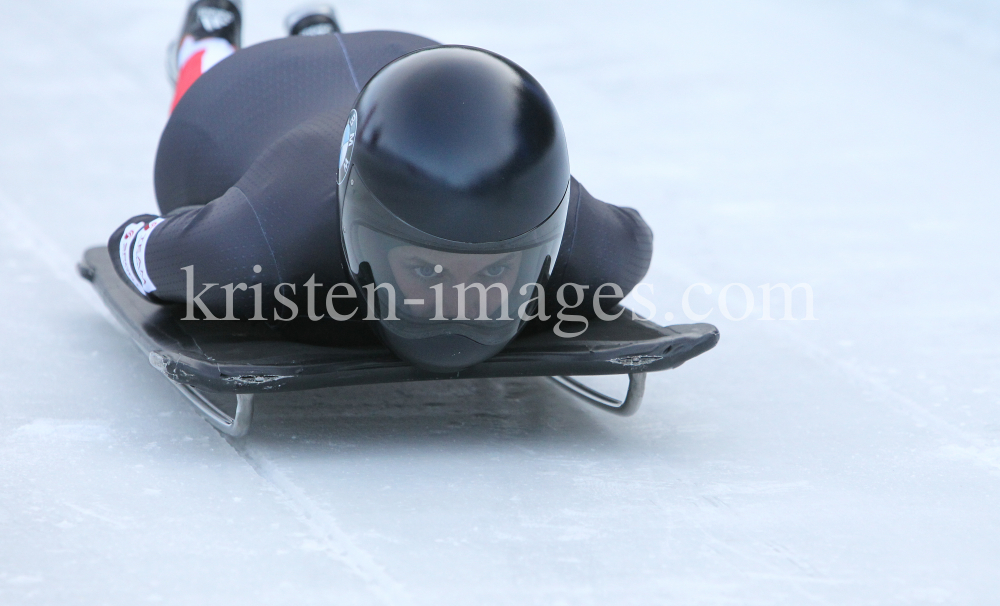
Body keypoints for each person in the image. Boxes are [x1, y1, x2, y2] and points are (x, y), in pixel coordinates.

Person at [110, 0, 653, 372]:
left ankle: (318, 32)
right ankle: (206, 46)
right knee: (204, 92)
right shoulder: (250, 244)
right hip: (245, 94)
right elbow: (131, 243)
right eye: (426, 270)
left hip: (412, 69)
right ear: (357, 232)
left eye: (494, 271)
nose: (457, 307)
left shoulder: (595, 246)